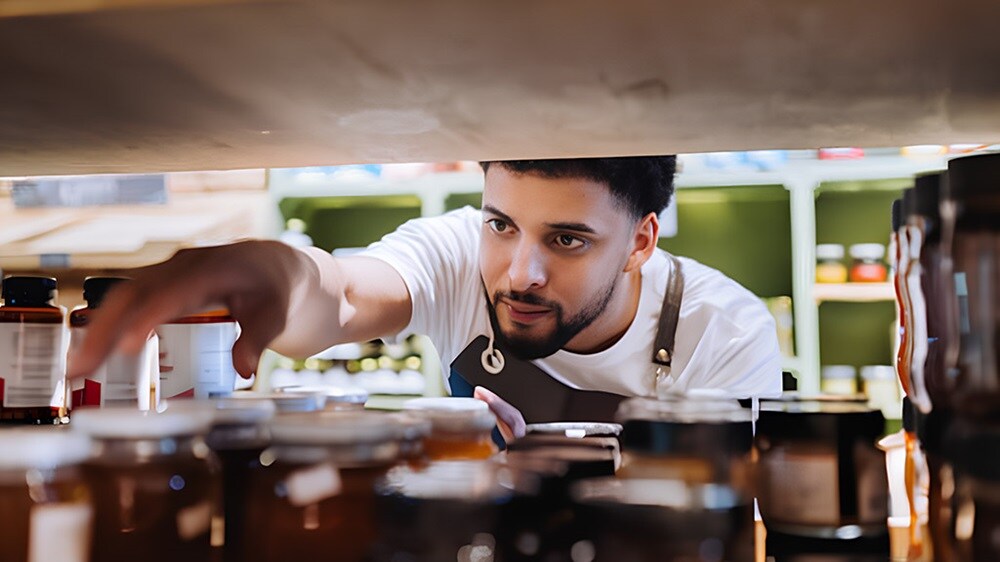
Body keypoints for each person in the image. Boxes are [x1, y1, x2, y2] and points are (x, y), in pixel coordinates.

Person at [69, 156, 781, 442]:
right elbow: (342, 295)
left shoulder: (724, 332)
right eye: (502, 224)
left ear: (640, 242)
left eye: (567, 240)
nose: (519, 272)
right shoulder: (456, 253)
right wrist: (277, 271)